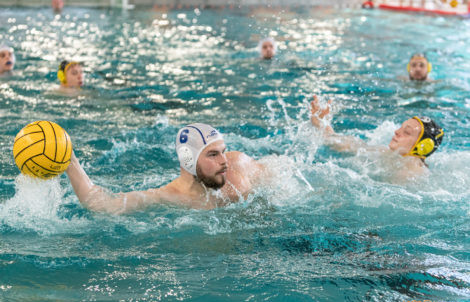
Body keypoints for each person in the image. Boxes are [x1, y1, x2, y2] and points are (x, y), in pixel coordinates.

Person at [66, 123, 267, 214]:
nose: (224, 161)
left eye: (223, 151)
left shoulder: (237, 170)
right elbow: (102, 204)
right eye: (213, 154)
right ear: (188, 161)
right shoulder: (169, 197)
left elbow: (282, 172)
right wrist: (70, 161)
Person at [309, 95, 444, 179]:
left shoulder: (411, 176)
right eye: (400, 127)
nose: (396, 132)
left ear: (423, 147)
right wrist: (321, 122)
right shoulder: (388, 154)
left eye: (406, 132)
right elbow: (340, 143)